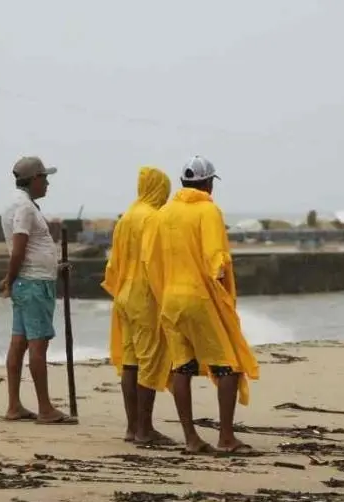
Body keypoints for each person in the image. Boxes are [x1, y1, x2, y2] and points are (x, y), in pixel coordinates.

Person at [143, 155, 259, 455]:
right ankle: (226, 438)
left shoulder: (163, 213)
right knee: (229, 366)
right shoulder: (208, 210)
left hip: (171, 298)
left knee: (182, 366)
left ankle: (191, 438)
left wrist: (162, 292)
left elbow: (150, 260)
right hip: (200, 297)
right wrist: (223, 299)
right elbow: (217, 260)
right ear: (208, 183)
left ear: (183, 183)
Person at [0, 155, 76, 425]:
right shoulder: (25, 208)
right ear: (33, 180)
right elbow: (19, 247)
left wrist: (56, 264)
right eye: (45, 178)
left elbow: (29, 249)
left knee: (19, 342)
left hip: (29, 281)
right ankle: (45, 409)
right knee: (37, 345)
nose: (48, 184)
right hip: (33, 284)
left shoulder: (18, 204)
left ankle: (14, 405)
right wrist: (9, 278)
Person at [101, 166, 174, 445]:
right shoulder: (153, 218)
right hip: (145, 297)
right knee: (150, 361)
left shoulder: (127, 217)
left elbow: (114, 263)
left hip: (124, 295)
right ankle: (146, 429)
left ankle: (132, 428)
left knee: (130, 362)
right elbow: (156, 261)